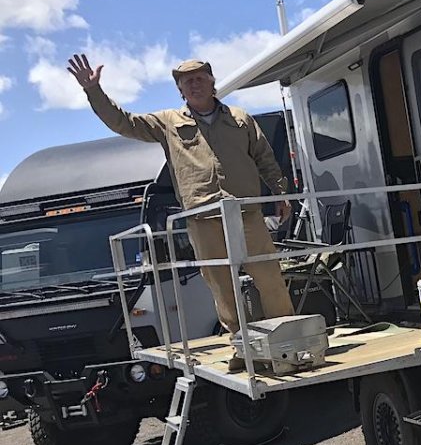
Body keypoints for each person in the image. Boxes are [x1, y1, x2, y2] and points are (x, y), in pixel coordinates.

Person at [67, 54, 293, 364]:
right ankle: (243, 348)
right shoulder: (167, 123)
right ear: (180, 90)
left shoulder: (240, 118)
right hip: (202, 218)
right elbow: (124, 122)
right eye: (188, 81)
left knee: (270, 278)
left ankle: (286, 342)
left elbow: (265, 158)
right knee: (221, 287)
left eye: (200, 78)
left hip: (245, 213)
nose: (195, 84)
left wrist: (281, 193)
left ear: (212, 83)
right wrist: (94, 90)